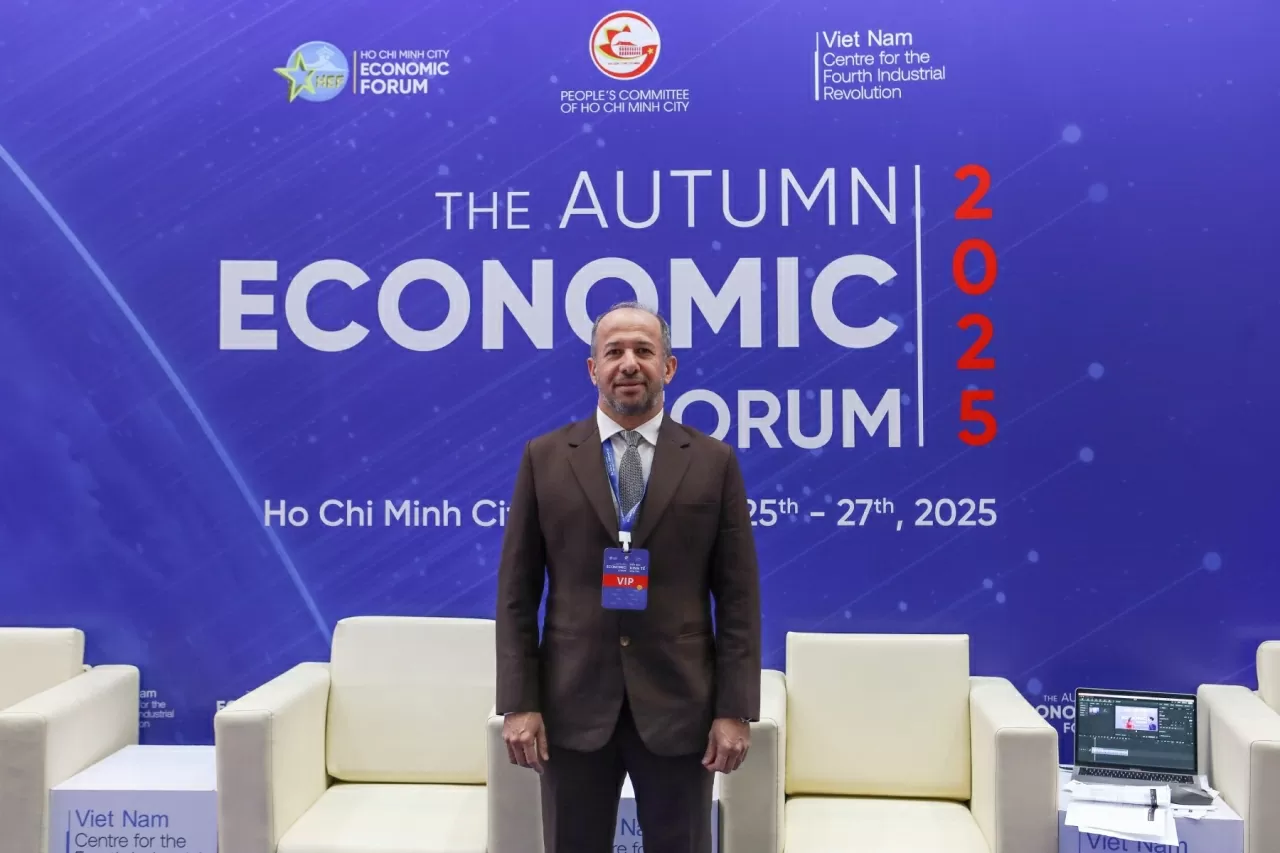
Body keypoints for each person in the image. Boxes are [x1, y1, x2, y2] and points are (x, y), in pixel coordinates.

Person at [495, 301, 762, 853]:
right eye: (613, 351)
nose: (629, 363)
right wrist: (519, 702)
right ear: (593, 368)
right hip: (571, 707)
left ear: (669, 366)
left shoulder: (714, 462)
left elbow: (739, 599)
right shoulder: (544, 458)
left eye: (644, 350)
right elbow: (517, 594)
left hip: (680, 707)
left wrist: (734, 710)